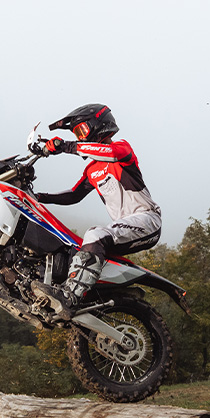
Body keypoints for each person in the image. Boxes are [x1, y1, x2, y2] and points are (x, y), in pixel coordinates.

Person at [33, 103, 162, 318]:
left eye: (81, 131)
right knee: (74, 250)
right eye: (76, 134)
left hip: (146, 219)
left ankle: (70, 297)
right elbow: (73, 195)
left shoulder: (122, 149)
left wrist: (66, 146)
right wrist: (39, 197)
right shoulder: (92, 169)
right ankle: (85, 302)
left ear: (98, 125)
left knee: (95, 233)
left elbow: (110, 153)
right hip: (123, 228)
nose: (80, 137)